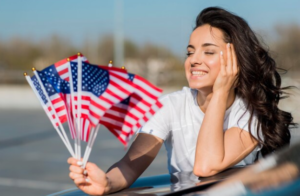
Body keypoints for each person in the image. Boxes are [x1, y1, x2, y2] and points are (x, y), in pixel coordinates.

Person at [68, 7, 295, 195]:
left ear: (235, 62)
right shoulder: (170, 105)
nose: (194, 60)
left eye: (208, 52)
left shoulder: (251, 113)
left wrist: (220, 94)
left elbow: (206, 166)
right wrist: (106, 183)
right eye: (190, 52)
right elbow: (130, 164)